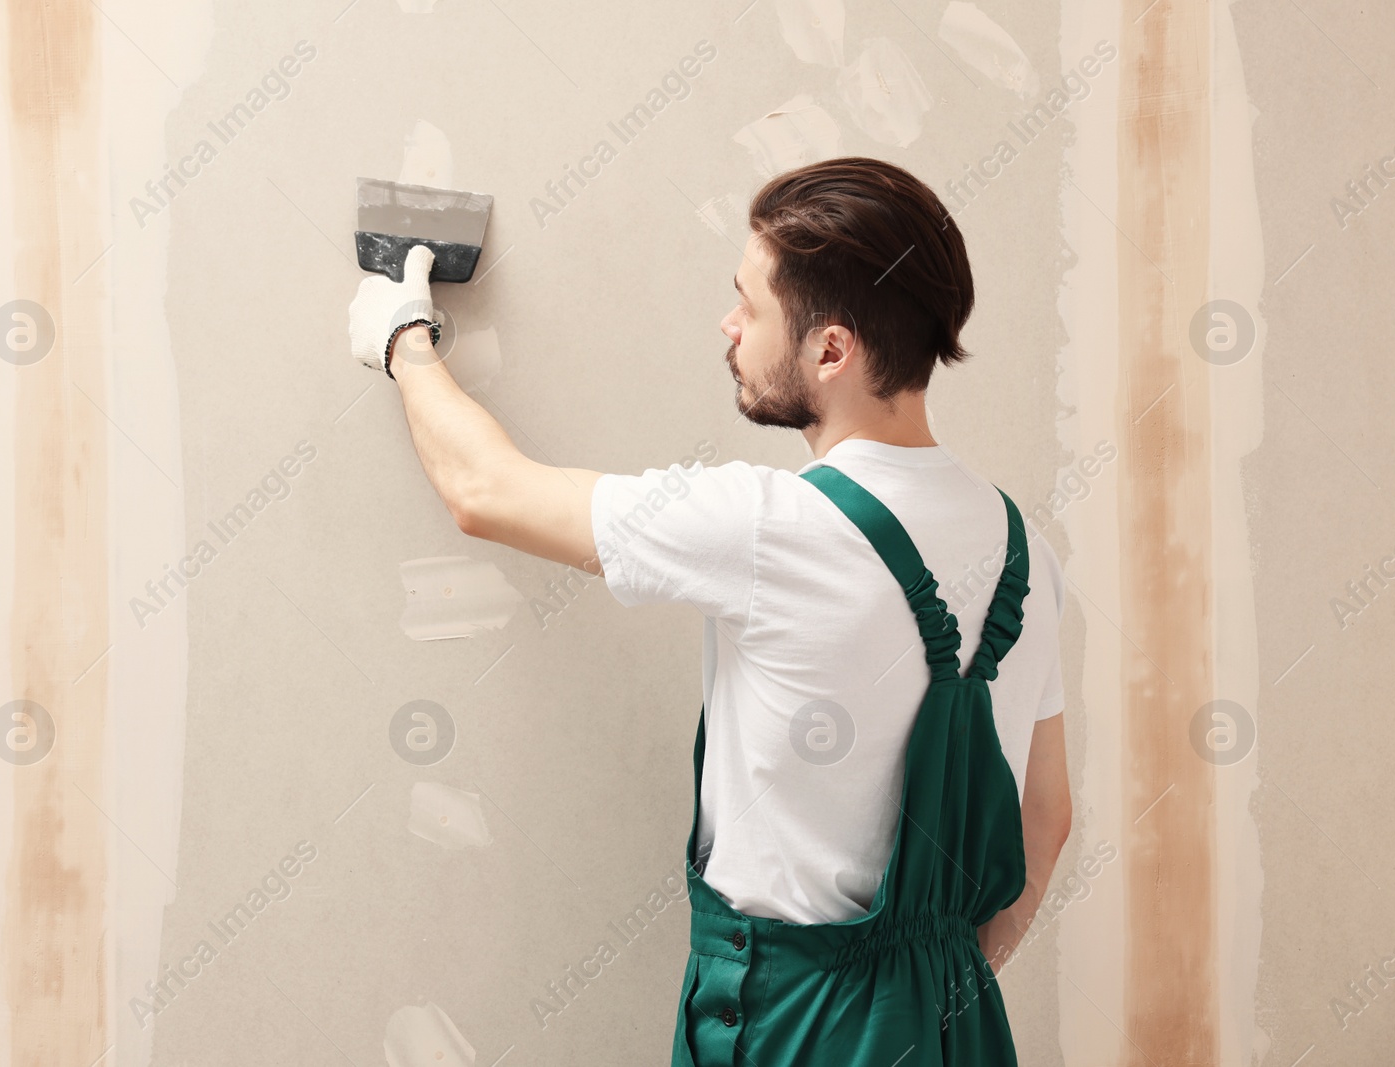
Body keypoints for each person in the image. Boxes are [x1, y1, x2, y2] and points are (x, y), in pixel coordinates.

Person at [349, 156, 1073, 1065]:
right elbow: (1046, 819)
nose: (728, 326)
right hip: (956, 1023)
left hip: (791, 1021)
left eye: (751, 304)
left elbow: (485, 491)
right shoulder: (1024, 549)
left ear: (831, 349)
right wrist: (938, 990)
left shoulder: (771, 528)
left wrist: (403, 338)